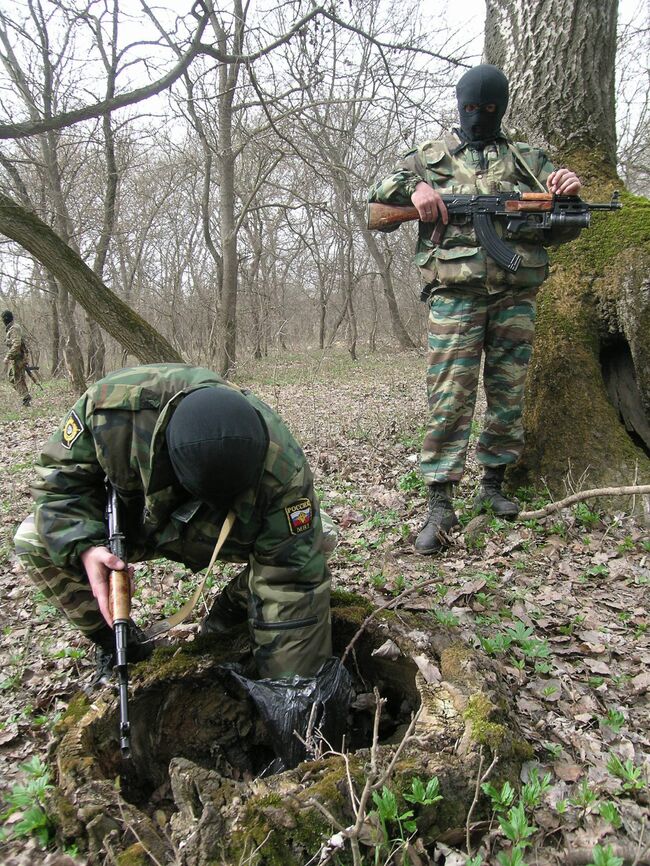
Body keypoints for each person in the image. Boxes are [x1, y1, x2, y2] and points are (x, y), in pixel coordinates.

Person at [15, 363, 340, 703]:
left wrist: (292, 696)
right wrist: (85, 545)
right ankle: (116, 644)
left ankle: (231, 610)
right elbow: (58, 480)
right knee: (32, 539)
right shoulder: (111, 408)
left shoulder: (282, 468)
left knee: (320, 534)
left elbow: (291, 580)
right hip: (140, 523)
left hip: (224, 531)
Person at [368, 64, 582, 555]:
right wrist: (414, 188)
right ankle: (440, 502)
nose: (479, 117)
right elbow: (377, 201)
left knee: (508, 395)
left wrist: (565, 193)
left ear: (502, 109)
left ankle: (493, 484)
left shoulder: (529, 160)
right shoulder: (430, 156)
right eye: (471, 108)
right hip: (455, 298)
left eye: (489, 109)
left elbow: (566, 227)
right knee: (449, 399)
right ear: (458, 106)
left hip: (514, 297)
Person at [2, 309, 32, 406]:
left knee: (17, 378)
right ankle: (25, 396)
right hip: (17, 357)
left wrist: (8, 356)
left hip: (19, 357)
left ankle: (26, 399)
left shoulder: (14, 328)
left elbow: (17, 344)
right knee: (12, 378)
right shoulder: (12, 328)